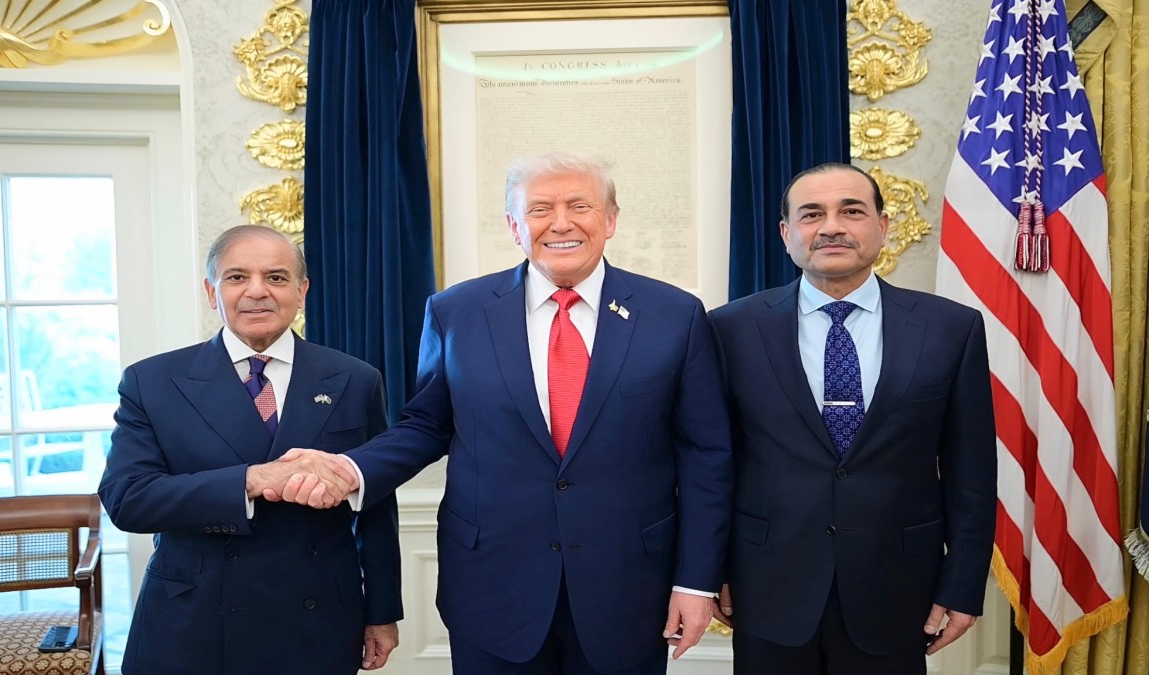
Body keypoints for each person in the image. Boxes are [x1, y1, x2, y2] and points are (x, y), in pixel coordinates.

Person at [272, 152, 733, 673]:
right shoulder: (456, 311)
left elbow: (706, 455)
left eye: (579, 205)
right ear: (515, 226)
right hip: (492, 587)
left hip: (628, 588)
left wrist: (695, 581)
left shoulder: (675, 315)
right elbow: (426, 425)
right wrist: (348, 469)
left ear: (610, 220)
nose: (560, 222)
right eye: (539, 209)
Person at [708, 163, 997, 674]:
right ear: (786, 233)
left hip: (898, 587)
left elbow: (971, 474)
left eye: (852, 211)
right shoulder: (729, 329)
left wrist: (964, 585)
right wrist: (711, 571)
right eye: (812, 214)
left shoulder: (951, 329)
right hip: (766, 587)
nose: (832, 226)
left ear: (882, 227)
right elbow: (712, 465)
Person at [98, 224, 402, 675]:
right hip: (194, 622)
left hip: (317, 621)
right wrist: (252, 480)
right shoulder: (152, 381)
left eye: (276, 278)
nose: (257, 292)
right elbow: (129, 499)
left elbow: (376, 505)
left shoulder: (355, 379)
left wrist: (381, 611)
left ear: (302, 291)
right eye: (237, 277)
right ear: (211, 291)